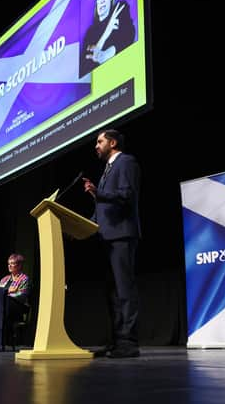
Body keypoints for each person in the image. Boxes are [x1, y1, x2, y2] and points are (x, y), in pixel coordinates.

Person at [82, 129, 141, 358]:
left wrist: (99, 194)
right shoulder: (106, 170)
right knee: (112, 293)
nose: (96, 146)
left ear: (113, 142)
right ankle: (117, 342)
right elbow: (103, 209)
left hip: (122, 235)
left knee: (125, 290)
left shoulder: (126, 162)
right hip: (106, 237)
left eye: (100, 141)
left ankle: (129, 342)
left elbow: (127, 195)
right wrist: (81, 227)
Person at [79, 0, 135, 77]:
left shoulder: (119, 9)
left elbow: (129, 35)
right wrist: (106, 33)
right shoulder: (90, 33)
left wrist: (106, 55)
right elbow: (84, 70)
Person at [0, 253, 31, 346]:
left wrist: (7, 293)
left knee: (7, 304)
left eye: (12, 263)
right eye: (8, 263)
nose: (9, 265)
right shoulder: (4, 279)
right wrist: (9, 291)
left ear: (19, 265)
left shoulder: (24, 279)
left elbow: (22, 295)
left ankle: (6, 341)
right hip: (4, 306)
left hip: (17, 307)